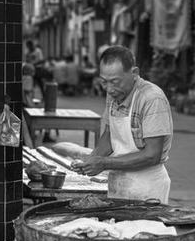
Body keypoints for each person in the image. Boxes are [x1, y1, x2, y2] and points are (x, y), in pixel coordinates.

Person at [72, 45, 173, 203]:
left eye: (115, 82)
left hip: (148, 188)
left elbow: (152, 155)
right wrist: (92, 159)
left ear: (134, 73)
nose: (110, 89)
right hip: (118, 182)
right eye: (104, 82)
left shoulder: (152, 98)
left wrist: (104, 163)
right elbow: (110, 133)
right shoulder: (114, 94)